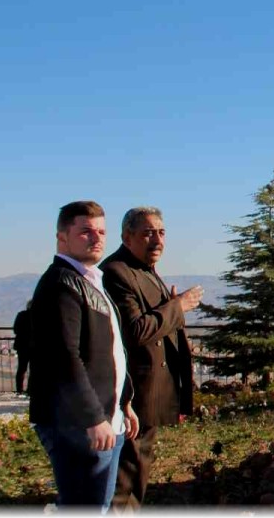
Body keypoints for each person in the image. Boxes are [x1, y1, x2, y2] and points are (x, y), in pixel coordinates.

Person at [29, 200, 138, 511]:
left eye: (102, 231)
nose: (97, 238)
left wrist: (124, 402)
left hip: (106, 418)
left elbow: (110, 348)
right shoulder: (61, 286)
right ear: (62, 237)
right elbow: (64, 358)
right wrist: (92, 417)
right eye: (86, 231)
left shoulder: (89, 281)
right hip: (78, 424)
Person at [101, 206, 203, 511]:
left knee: (138, 469)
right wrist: (178, 307)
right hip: (134, 392)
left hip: (150, 393)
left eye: (161, 232)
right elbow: (135, 330)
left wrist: (172, 305)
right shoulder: (118, 272)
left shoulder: (145, 270)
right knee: (125, 475)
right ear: (127, 236)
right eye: (148, 233)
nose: (156, 240)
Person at [13, 301, 32, 395]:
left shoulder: (21, 315)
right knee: (33, 369)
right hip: (34, 346)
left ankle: (19, 390)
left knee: (21, 368)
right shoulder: (39, 316)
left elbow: (16, 329)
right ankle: (30, 390)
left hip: (22, 346)